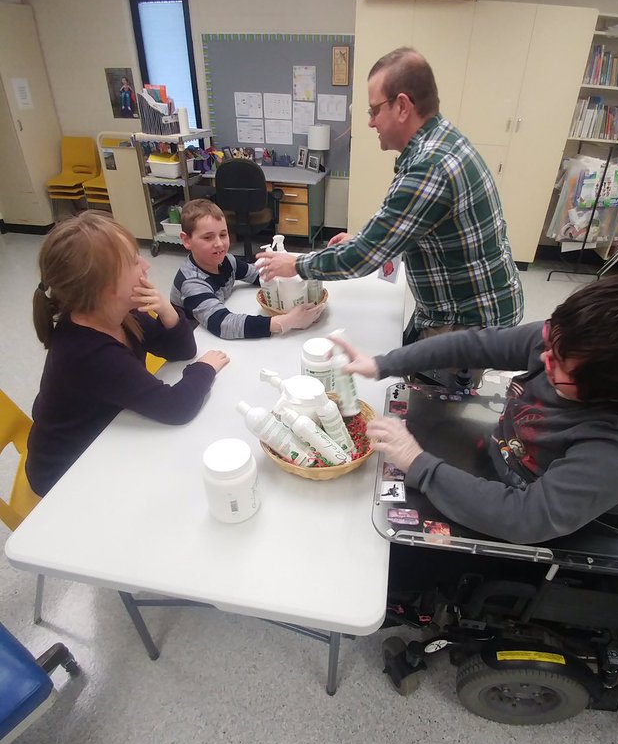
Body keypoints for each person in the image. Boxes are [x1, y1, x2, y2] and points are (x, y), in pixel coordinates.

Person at [333, 273, 618, 545]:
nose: (543, 357)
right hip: (508, 453)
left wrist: (417, 463)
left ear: (608, 392)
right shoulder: (569, 343)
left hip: (572, 515)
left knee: (399, 546)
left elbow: (528, 519)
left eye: (559, 366)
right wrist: (383, 364)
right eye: (550, 340)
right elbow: (474, 345)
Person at [256, 47, 523, 342]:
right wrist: (362, 240)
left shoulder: (429, 166)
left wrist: (295, 264)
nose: (371, 122)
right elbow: (408, 225)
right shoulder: (440, 138)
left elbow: (364, 257)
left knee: (429, 386)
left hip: (468, 320)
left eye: (374, 110)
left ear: (402, 106)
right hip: (466, 306)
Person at [26, 212, 229, 497]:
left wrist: (167, 310)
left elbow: (182, 350)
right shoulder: (89, 353)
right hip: (66, 474)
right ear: (106, 288)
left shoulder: (120, 314)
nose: (146, 265)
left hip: (107, 437)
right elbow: (176, 407)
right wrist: (204, 368)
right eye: (134, 261)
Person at [170, 199, 324, 340]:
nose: (219, 244)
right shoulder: (192, 283)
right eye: (208, 237)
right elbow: (224, 324)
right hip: (195, 340)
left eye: (223, 235)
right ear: (186, 240)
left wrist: (292, 273)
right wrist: (287, 321)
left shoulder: (227, 261)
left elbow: (258, 275)